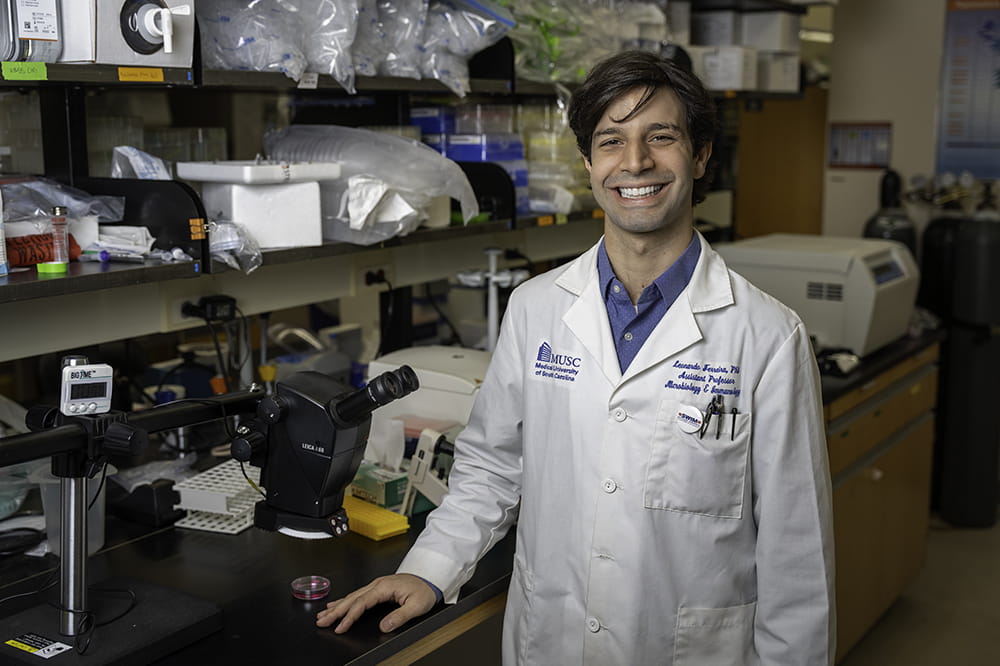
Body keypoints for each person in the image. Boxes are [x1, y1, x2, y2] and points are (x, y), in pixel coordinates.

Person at [317, 50, 836, 664]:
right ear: (589, 163)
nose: (635, 161)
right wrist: (430, 568)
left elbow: (795, 554)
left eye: (661, 137)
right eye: (611, 140)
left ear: (699, 157)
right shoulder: (536, 308)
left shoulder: (768, 337)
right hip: (552, 640)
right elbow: (491, 468)